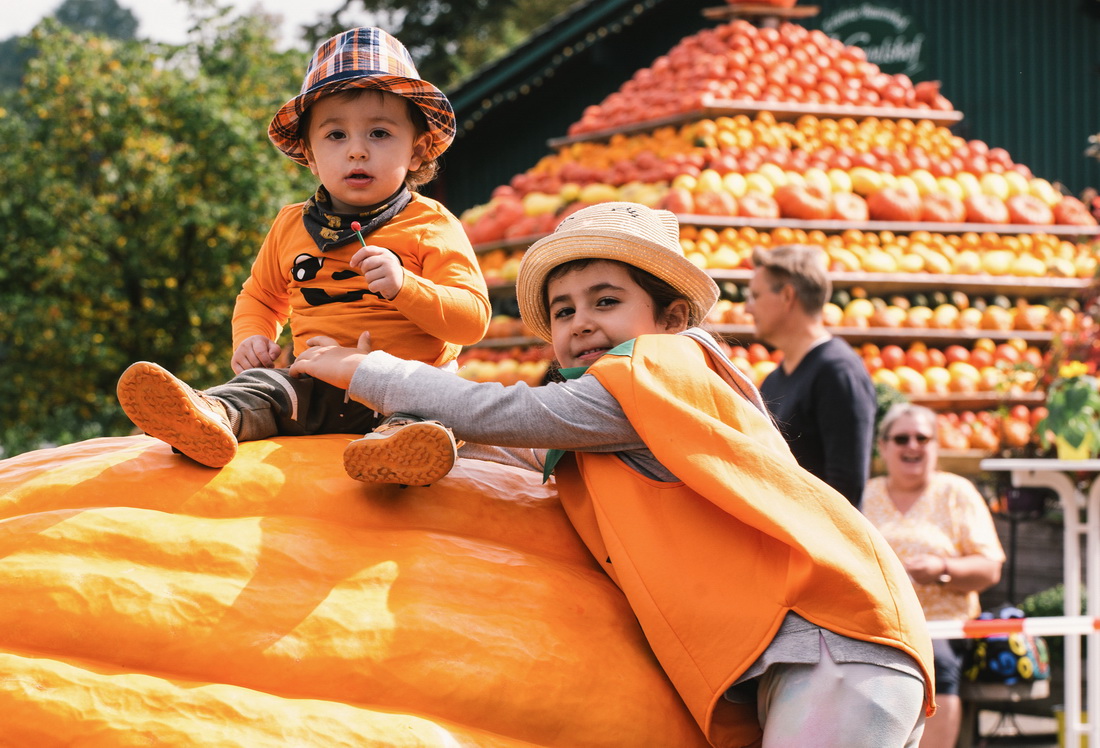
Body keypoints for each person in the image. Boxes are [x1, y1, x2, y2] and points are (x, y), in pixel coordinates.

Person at [289, 202, 935, 747]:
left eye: (606, 301)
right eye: (564, 311)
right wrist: (410, 424)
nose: (582, 322)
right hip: (821, 648)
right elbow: (520, 452)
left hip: (832, 641)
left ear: (672, 318)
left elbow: (513, 414)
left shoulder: (659, 369)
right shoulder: (615, 421)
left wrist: (367, 374)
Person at [116, 27, 489, 485]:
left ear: (416, 151)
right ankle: (211, 416)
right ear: (310, 155)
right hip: (315, 383)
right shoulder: (292, 225)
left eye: (379, 132)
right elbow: (259, 296)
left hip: (406, 386)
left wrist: (404, 286)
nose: (357, 149)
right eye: (335, 135)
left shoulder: (431, 224)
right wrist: (251, 338)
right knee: (264, 390)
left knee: (432, 412)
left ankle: (398, 452)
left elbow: (471, 321)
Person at [863, 403, 1006, 748]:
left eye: (922, 438)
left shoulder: (957, 493)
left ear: (936, 446)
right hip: (877, 621)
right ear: (883, 447)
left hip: (941, 622)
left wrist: (942, 570)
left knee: (935, 660)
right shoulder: (866, 494)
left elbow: (990, 567)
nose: (912, 445)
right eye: (901, 438)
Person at [746, 244, 876, 507]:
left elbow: (845, 491)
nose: (748, 308)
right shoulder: (774, 379)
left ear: (787, 296)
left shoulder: (838, 372)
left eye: (755, 296)